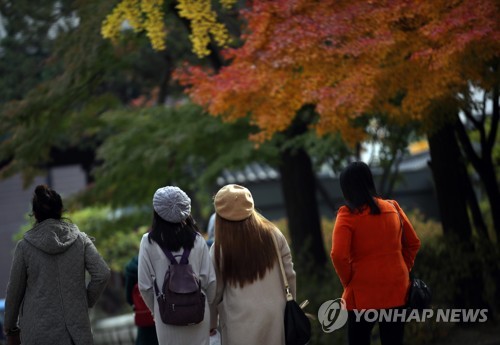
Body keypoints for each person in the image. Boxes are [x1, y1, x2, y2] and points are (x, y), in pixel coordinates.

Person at [3, 184, 111, 345]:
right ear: (61, 210)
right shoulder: (80, 240)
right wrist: (84, 301)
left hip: (38, 333)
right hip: (76, 334)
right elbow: (102, 274)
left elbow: (14, 292)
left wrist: (10, 328)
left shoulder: (25, 247)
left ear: (35, 214)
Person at [330, 161, 421, 345]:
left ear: (346, 188)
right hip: (397, 290)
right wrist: (403, 268)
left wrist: (348, 280)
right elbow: (413, 243)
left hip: (362, 295)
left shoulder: (348, 215)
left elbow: (338, 255)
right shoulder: (393, 207)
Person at [209, 184, 296, 345]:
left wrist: (212, 323)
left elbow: (214, 291)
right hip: (275, 316)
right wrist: (290, 304)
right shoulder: (274, 235)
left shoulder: (219, 248)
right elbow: (289, 275)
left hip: (239, 322)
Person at [138, 186, 216, 345]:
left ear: (157, 212)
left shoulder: (148, 241)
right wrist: (205, 305)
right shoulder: (198, 239)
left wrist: (157, 310)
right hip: (198, 314)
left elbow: (144, 286)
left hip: (167, 316)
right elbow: (211, 282)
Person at [124, 255, 158, 345]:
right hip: (166, 317)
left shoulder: (133, 266)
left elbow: (129, 298)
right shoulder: (164, 260)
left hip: (145, 320)